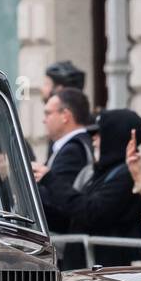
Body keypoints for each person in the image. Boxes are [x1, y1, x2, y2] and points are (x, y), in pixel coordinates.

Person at [43, 109, 141, 266]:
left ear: (115, 138)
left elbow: (91, 211)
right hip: (83, 268)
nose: (94, 140)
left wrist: (50, 179)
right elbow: (74, 216)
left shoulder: (125, 175)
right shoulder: (101, 174)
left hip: (105, 274)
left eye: (100, 134)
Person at [34, 87, 95, 220]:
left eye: (48, 113)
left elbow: (57, 198)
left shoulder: (73, 149)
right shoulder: (70, 145)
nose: (44, 120)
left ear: (65, 116)